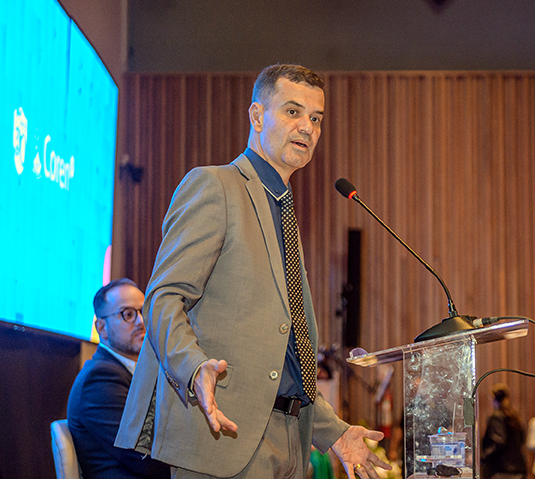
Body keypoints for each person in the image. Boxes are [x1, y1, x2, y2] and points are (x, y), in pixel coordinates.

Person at [115, 64, 391, 479]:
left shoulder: (282, 208)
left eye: (317, 118)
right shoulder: (215, 186)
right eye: (293, 112)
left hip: (288, 443)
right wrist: (193, 366)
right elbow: (163, 297)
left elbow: (283, 354)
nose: (308, 127)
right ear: (257, 116)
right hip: (222, 437)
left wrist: (333, 432)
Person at [66, 278, 171, 479]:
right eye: (128, 314)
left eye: (144, 312)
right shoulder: (99, 379)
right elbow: (145, 459)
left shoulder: (137, 371)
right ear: (102, 328)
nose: (141, 322)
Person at [481, 383, 527, 479]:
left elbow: (498, 442)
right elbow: (522, 438)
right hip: (518, 468)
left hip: (502, 469)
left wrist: (483, 457)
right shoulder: (514, 416)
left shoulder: (496, 417)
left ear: (493, 398)